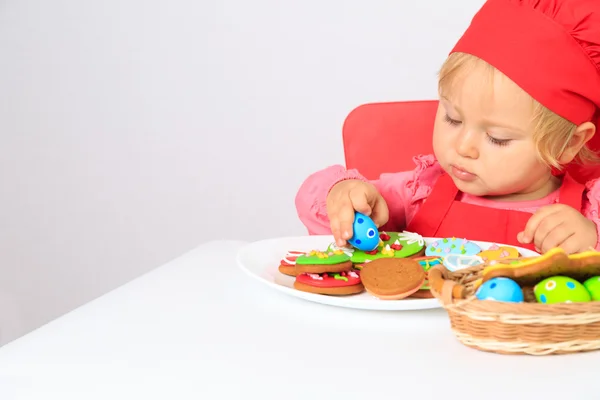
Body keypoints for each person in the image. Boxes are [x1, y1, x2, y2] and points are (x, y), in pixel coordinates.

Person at [294, 0, 600, 255]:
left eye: (497, 138)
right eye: (453, 118)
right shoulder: (418, 193)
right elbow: (317, 209)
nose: (463, 146)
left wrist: (591, 244)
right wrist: (343, 196)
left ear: (570, 143)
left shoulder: (589, 213)